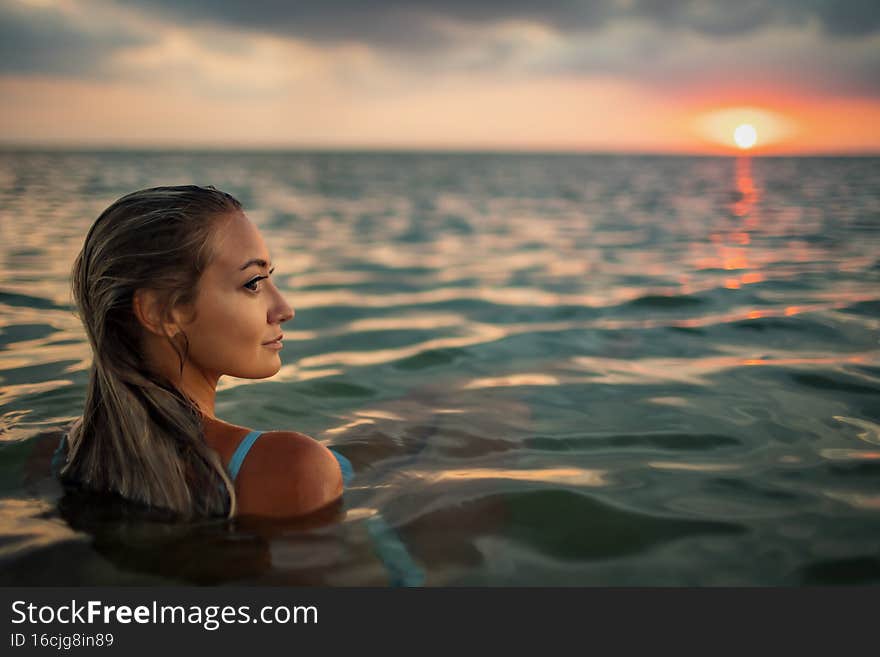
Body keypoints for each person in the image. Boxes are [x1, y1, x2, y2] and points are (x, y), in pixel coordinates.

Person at [52, 184, 348, 520]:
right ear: (162, 312)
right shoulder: (295, 468)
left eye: (270, 279)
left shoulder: (57, 455)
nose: (284, 308)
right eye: (253, 283)